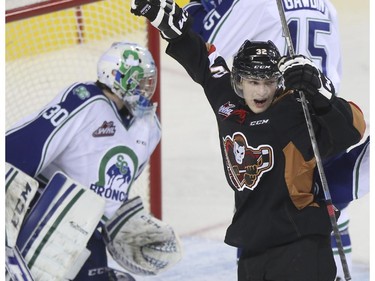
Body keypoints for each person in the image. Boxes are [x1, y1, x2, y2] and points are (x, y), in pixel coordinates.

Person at [130, 1, 366, 280]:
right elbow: (204, 63)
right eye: (253, 81)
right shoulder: (227, 103)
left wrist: (319, 92)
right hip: (253, 245)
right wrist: (173, 30)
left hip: (299, 243)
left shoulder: (292, 110)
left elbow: (354, 126)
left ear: (278, 81)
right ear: (238, 81)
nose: (262, 90)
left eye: (268, 81)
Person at [5, 42, 182, 280]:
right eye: (139, 81)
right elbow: (27, 144)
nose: (146, 88)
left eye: (148, 81)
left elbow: (112, 192)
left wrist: (119, 223)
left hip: (88, 232)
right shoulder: (86, 100)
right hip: (43, 222)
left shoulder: (149, 127)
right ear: (119, 77)